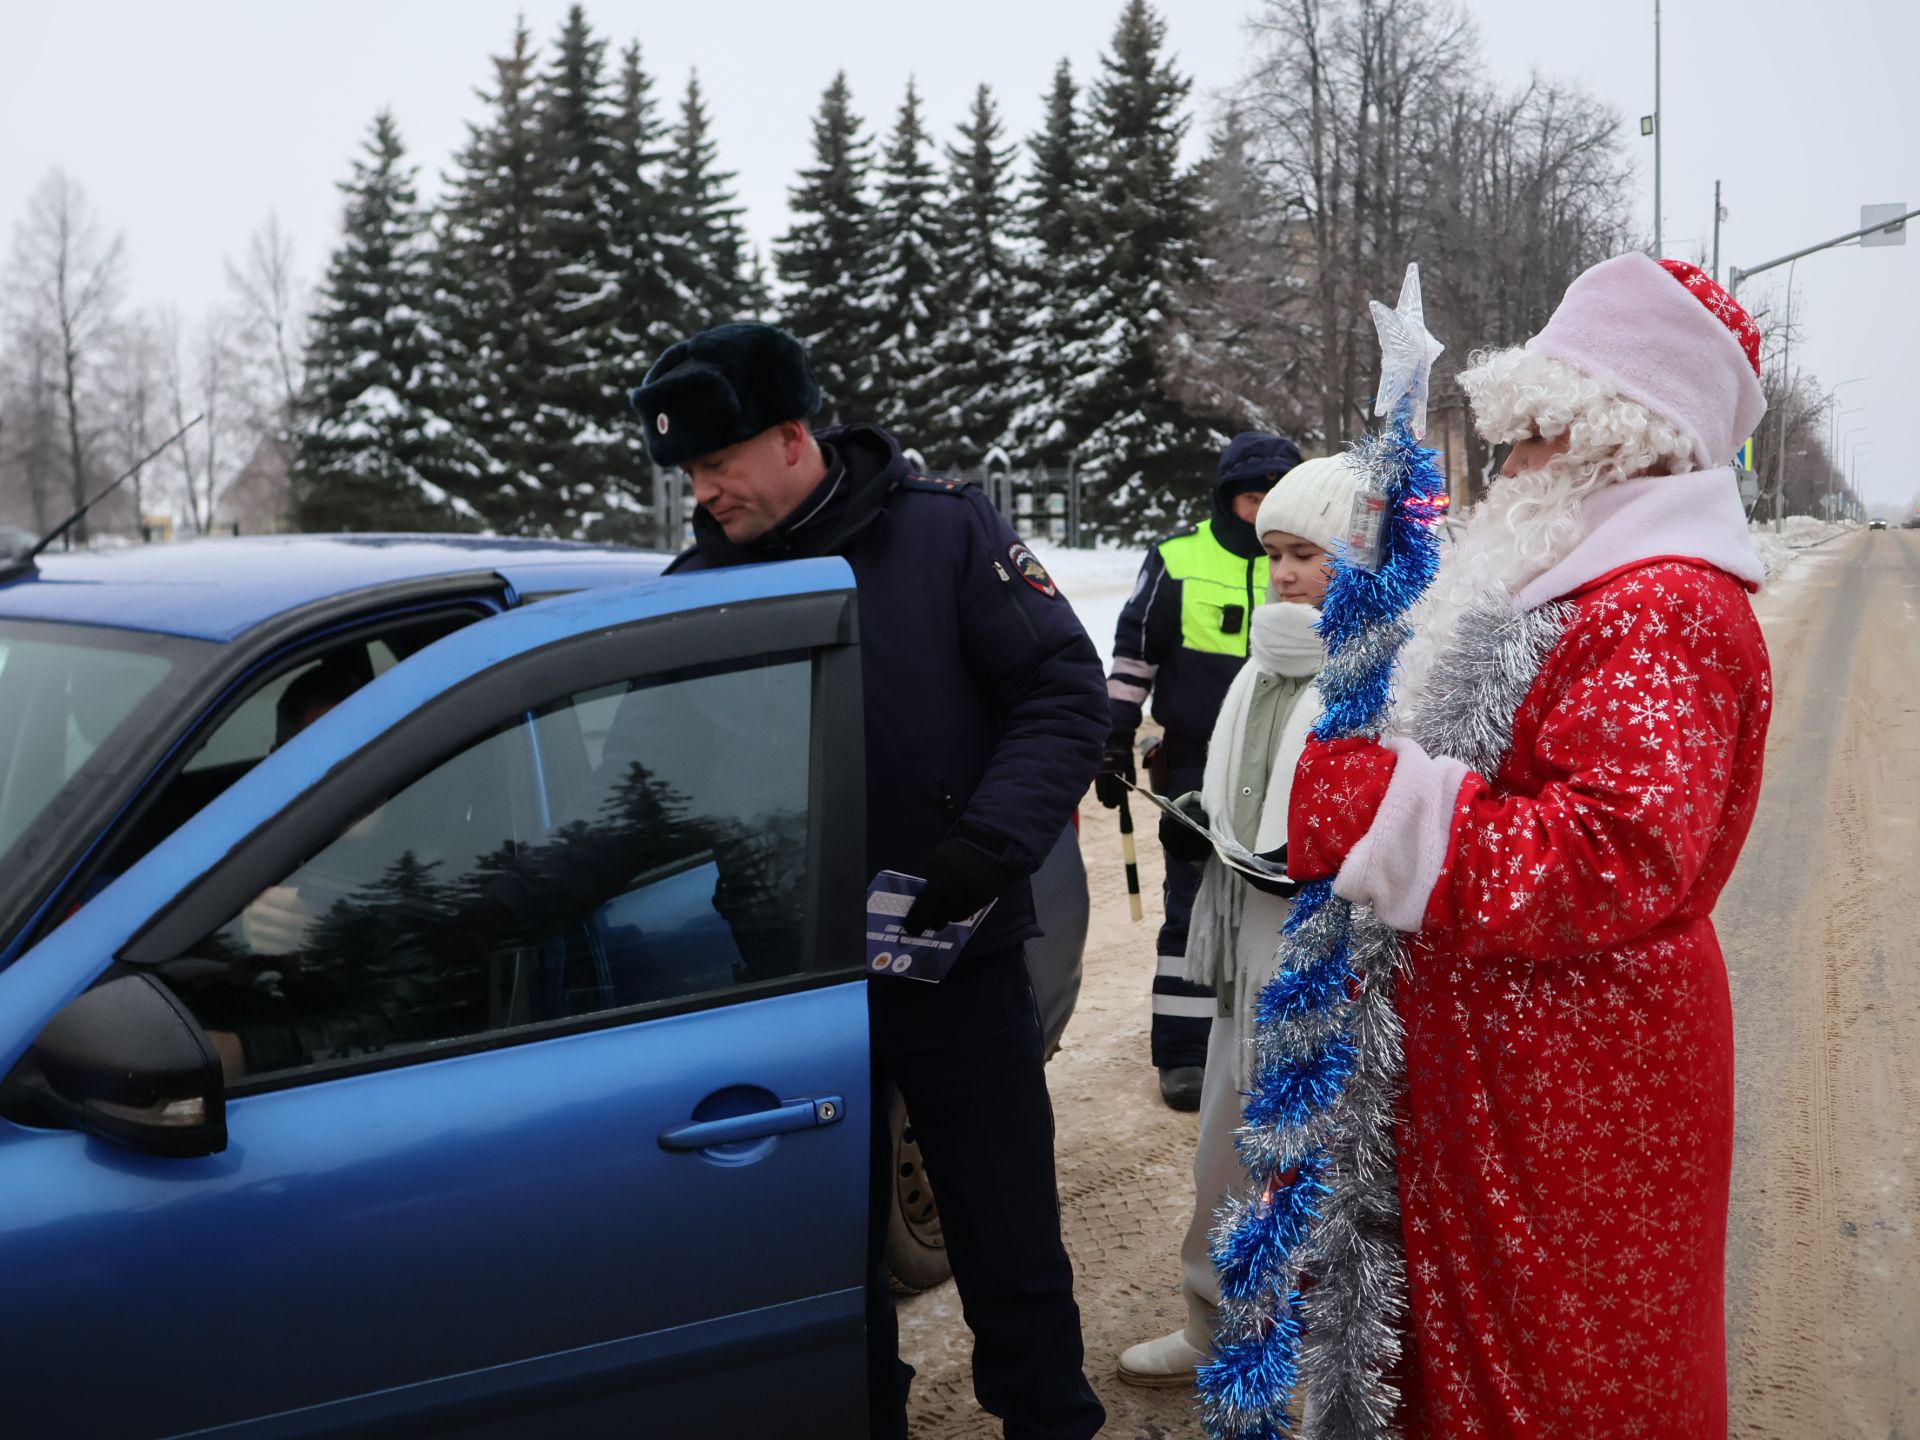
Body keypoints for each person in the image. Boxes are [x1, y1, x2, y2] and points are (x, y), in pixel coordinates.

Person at [1286, 255, 1772, 1436]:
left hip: (1580, 1090)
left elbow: (1611, 857)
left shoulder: (1660, 605)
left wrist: (1381, 815)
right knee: (1482, 1365)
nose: (1505, 470)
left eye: (1533, 436)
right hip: (1510, 1070)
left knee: (1563, 1378)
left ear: (1621, 440)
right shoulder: (1581, 583)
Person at [628, 322, 1109, 1440]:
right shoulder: (694, 587)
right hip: (789, 987)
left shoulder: (942, 537)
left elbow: (1062, 691)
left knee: (1009, 1252)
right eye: (688, 473)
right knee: (830, 1278)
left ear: (794, 438)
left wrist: (988, 844)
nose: (702, 493)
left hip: (959, 958)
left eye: (717, 466)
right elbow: (638, 791)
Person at [1110, 455, 1363, 1389]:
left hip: (1326, 951)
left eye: (1309, 554)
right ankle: (1215, 1322)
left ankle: (1338, 1355)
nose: (1287, 574)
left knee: (1328, 1158)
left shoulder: (1383, 676)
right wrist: (1203, 821)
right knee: (1226, 1141)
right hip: (1243, 938)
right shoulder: (1267, 662)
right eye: (1276, 554)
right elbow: (1242, 784)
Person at [1095, 430, 1303, 1110]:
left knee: (1285, 906)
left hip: (1291, 761)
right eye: (1252, 496)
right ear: (1225, 498)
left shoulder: (1319, 562)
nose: (1265, 508)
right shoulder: (1179, 560)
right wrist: (1113, 735)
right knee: (1191, 904)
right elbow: (1133, 658)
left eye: (1279, 494)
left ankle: (1282, 1044)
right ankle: (1184, 1052)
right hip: (1193, 759)